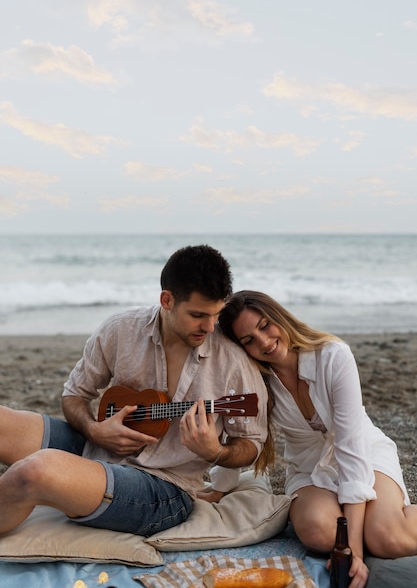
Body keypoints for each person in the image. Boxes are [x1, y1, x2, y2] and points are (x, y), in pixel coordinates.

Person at [0, 247, 268, 538]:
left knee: (32, 473)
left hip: (163, 488)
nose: (210, 326)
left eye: (216, 314)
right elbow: (74, 394)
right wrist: (94, 430)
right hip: (97, 450)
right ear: (167, 300)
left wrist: (215, 451)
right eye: (198, 315)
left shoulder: (233, 362)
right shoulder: (121, 330)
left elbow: (251, 444)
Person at [212, 290, 417, 588]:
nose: (264, 342)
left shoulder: (333, 355)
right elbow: (244, 433)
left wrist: (353, 552)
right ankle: (369, 528)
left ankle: (390, 522)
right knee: (320, 533)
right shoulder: (258, 380)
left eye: (265, 326)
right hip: (308, 468)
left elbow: (351, 447)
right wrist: (219, 487)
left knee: (386, 538)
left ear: (280, 317)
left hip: (364, 454)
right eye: (248, 341)